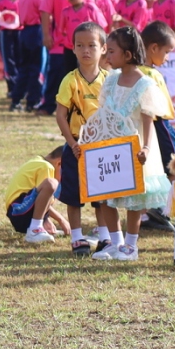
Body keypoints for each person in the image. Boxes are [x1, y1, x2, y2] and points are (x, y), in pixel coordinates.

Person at [76, 25, 173, 262]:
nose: (107, 55)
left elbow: (148, 120)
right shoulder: (110, 81)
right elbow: (102, 113)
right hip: (109, 146)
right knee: (106, 195)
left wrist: (146, 147)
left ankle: (130, 245)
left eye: (111, 51)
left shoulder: (145, 85)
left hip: (134, 148)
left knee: (133, 200)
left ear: (127, 54)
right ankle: (115, 242)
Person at [52, 22, 106, 255]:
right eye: (80, 45)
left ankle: (105, 236)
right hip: (76, 147)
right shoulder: (70, 80)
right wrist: (72, 143)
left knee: (102, 196)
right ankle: (77, 238)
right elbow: (60, 115)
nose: (86, 50)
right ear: (73, 49)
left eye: (92, 45)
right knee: (73, 195)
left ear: (103, 49)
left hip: (101, 147)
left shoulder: (109, 80)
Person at [3, 151, 64, 244]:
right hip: (19, 209)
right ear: (59, 163)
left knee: (52, 189)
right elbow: (44, 194)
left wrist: (45, 220)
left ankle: (38, 227)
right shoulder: (46, 166)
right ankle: (35, 230)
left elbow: (40, 198)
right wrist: (61, 220)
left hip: (17, 211)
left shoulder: (38, 161)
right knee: (51, 183)